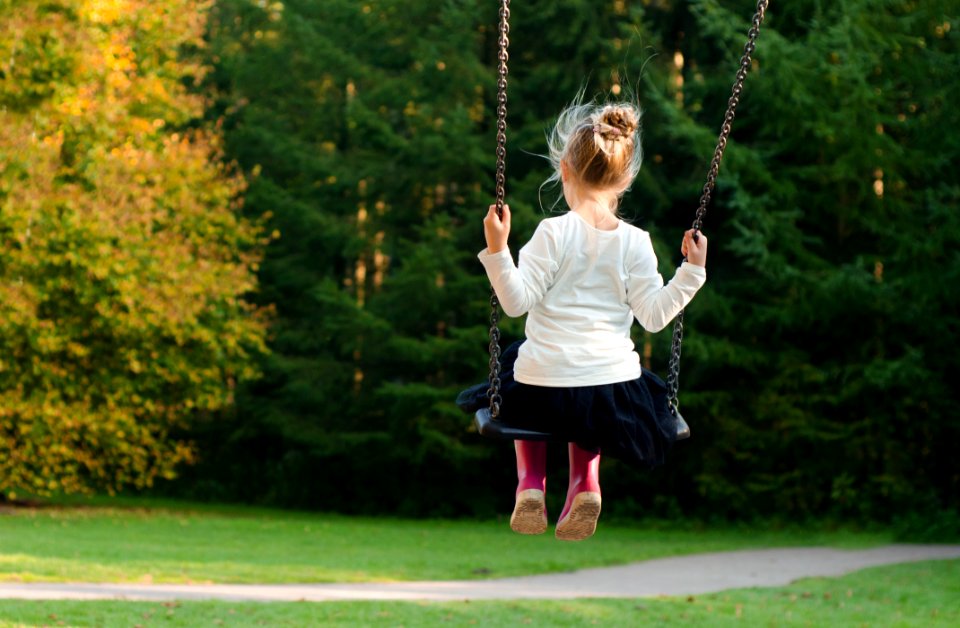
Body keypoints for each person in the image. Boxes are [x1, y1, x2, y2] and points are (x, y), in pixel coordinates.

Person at [460, 98, 708, 541]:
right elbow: (654, 317)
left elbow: (515, 303)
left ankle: (530, 483)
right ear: (626, 179)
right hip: (609, 389)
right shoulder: (636, 242)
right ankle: (586, 484)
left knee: (521, 369)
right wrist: (691, 272)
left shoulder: (552, 233)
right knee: (591, 395)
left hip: (543, 384)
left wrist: (498, 250)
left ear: (564, 170)